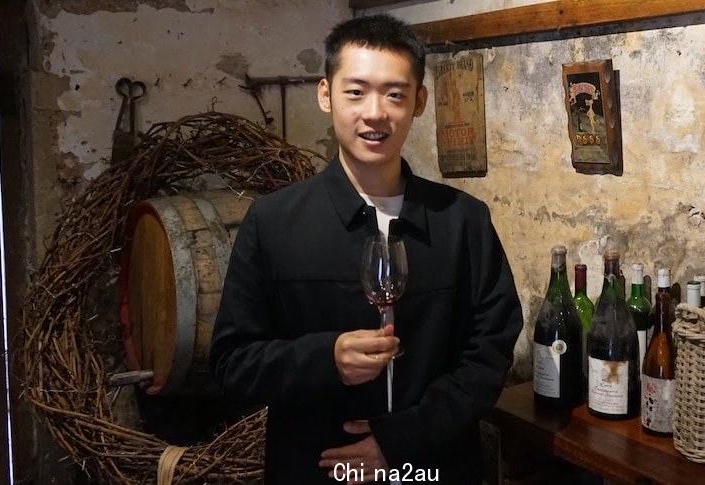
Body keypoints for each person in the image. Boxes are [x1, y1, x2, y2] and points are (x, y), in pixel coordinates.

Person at [210, 13, 523, 485]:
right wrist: (324, 358)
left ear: (418, 101)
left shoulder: (463, 220)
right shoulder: (273, 222)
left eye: (395, 94)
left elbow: (489, 355)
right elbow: (232, 363)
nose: (375, 113)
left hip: (433, 467)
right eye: (355, 91)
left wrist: (401, 441)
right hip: (315, 466)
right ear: (325, 94)